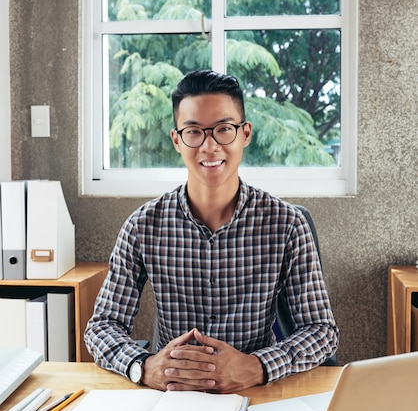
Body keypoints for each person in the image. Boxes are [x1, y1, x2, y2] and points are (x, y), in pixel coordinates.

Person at [84, 69, 338, 393]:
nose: (210, 146)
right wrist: (142, 366)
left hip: (253, 392)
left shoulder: (287, 224)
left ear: (245, 134)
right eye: (194, 132)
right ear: (177, 140)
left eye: (223, 129)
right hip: (172, 395)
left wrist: (258, 367)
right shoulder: (142, 226)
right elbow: (103, 326)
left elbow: (321, 331)